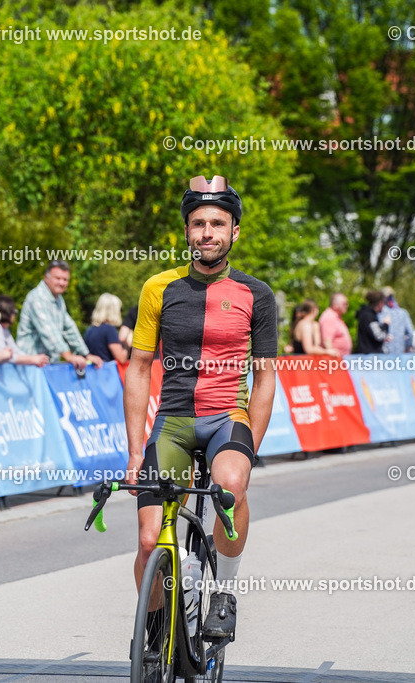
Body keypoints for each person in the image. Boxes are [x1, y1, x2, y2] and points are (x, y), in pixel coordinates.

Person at [125, 175, 277, 641]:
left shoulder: (257, 294)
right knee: (151, 542)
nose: (207, 232)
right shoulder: (159, 288)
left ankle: (224, 594)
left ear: (234, 232)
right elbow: (139, 367)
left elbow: (266, 374)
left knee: (230, 487)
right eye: (198, 223)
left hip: (226, 418)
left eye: (217, 223)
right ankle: (154, 632)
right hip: (173, 422)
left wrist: (248, 444)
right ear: (187, 231)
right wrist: (134, 455)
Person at [16, 260, 103, 373]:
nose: (62, 283)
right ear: (46, 278)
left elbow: (69, 329)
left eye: (65, 279)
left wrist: (86, 354)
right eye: (57, 278)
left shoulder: (59, 300)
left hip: (46, 365)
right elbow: (49, 332)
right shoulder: (37, 298)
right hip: (29, 366)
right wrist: (69, 356)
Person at [0, 295, 49, 366]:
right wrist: (31, 359)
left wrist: (35, 359)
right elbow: (3, 356)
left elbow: (15, 350)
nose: (15, 314)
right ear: (7, 312)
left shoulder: (4, 329)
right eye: (14, 311)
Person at [84, 293, 128, 363]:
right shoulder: (109, 330)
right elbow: (121, 359)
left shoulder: (90, 329)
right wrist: (127, 346)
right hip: (106, 371)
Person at [380, 286, 414, 354]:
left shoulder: (379, 313)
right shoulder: (403, 313)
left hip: (382, 353)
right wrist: (406, 347)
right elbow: (411, 333)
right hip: (400, 353)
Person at [355, 290, 389, 354]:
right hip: (370, 356)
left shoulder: (365, 314)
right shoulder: (369, 316)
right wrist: (386, 325)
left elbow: (372, 333)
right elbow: (379, 337)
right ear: (380, 303)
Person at [319, 292, 352, 356]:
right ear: (335, 304)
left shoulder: (336, 317)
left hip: (340, 359)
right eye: (344, 304)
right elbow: (327, 341)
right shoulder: (329, 317)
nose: (346, 306)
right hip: (334, 361)